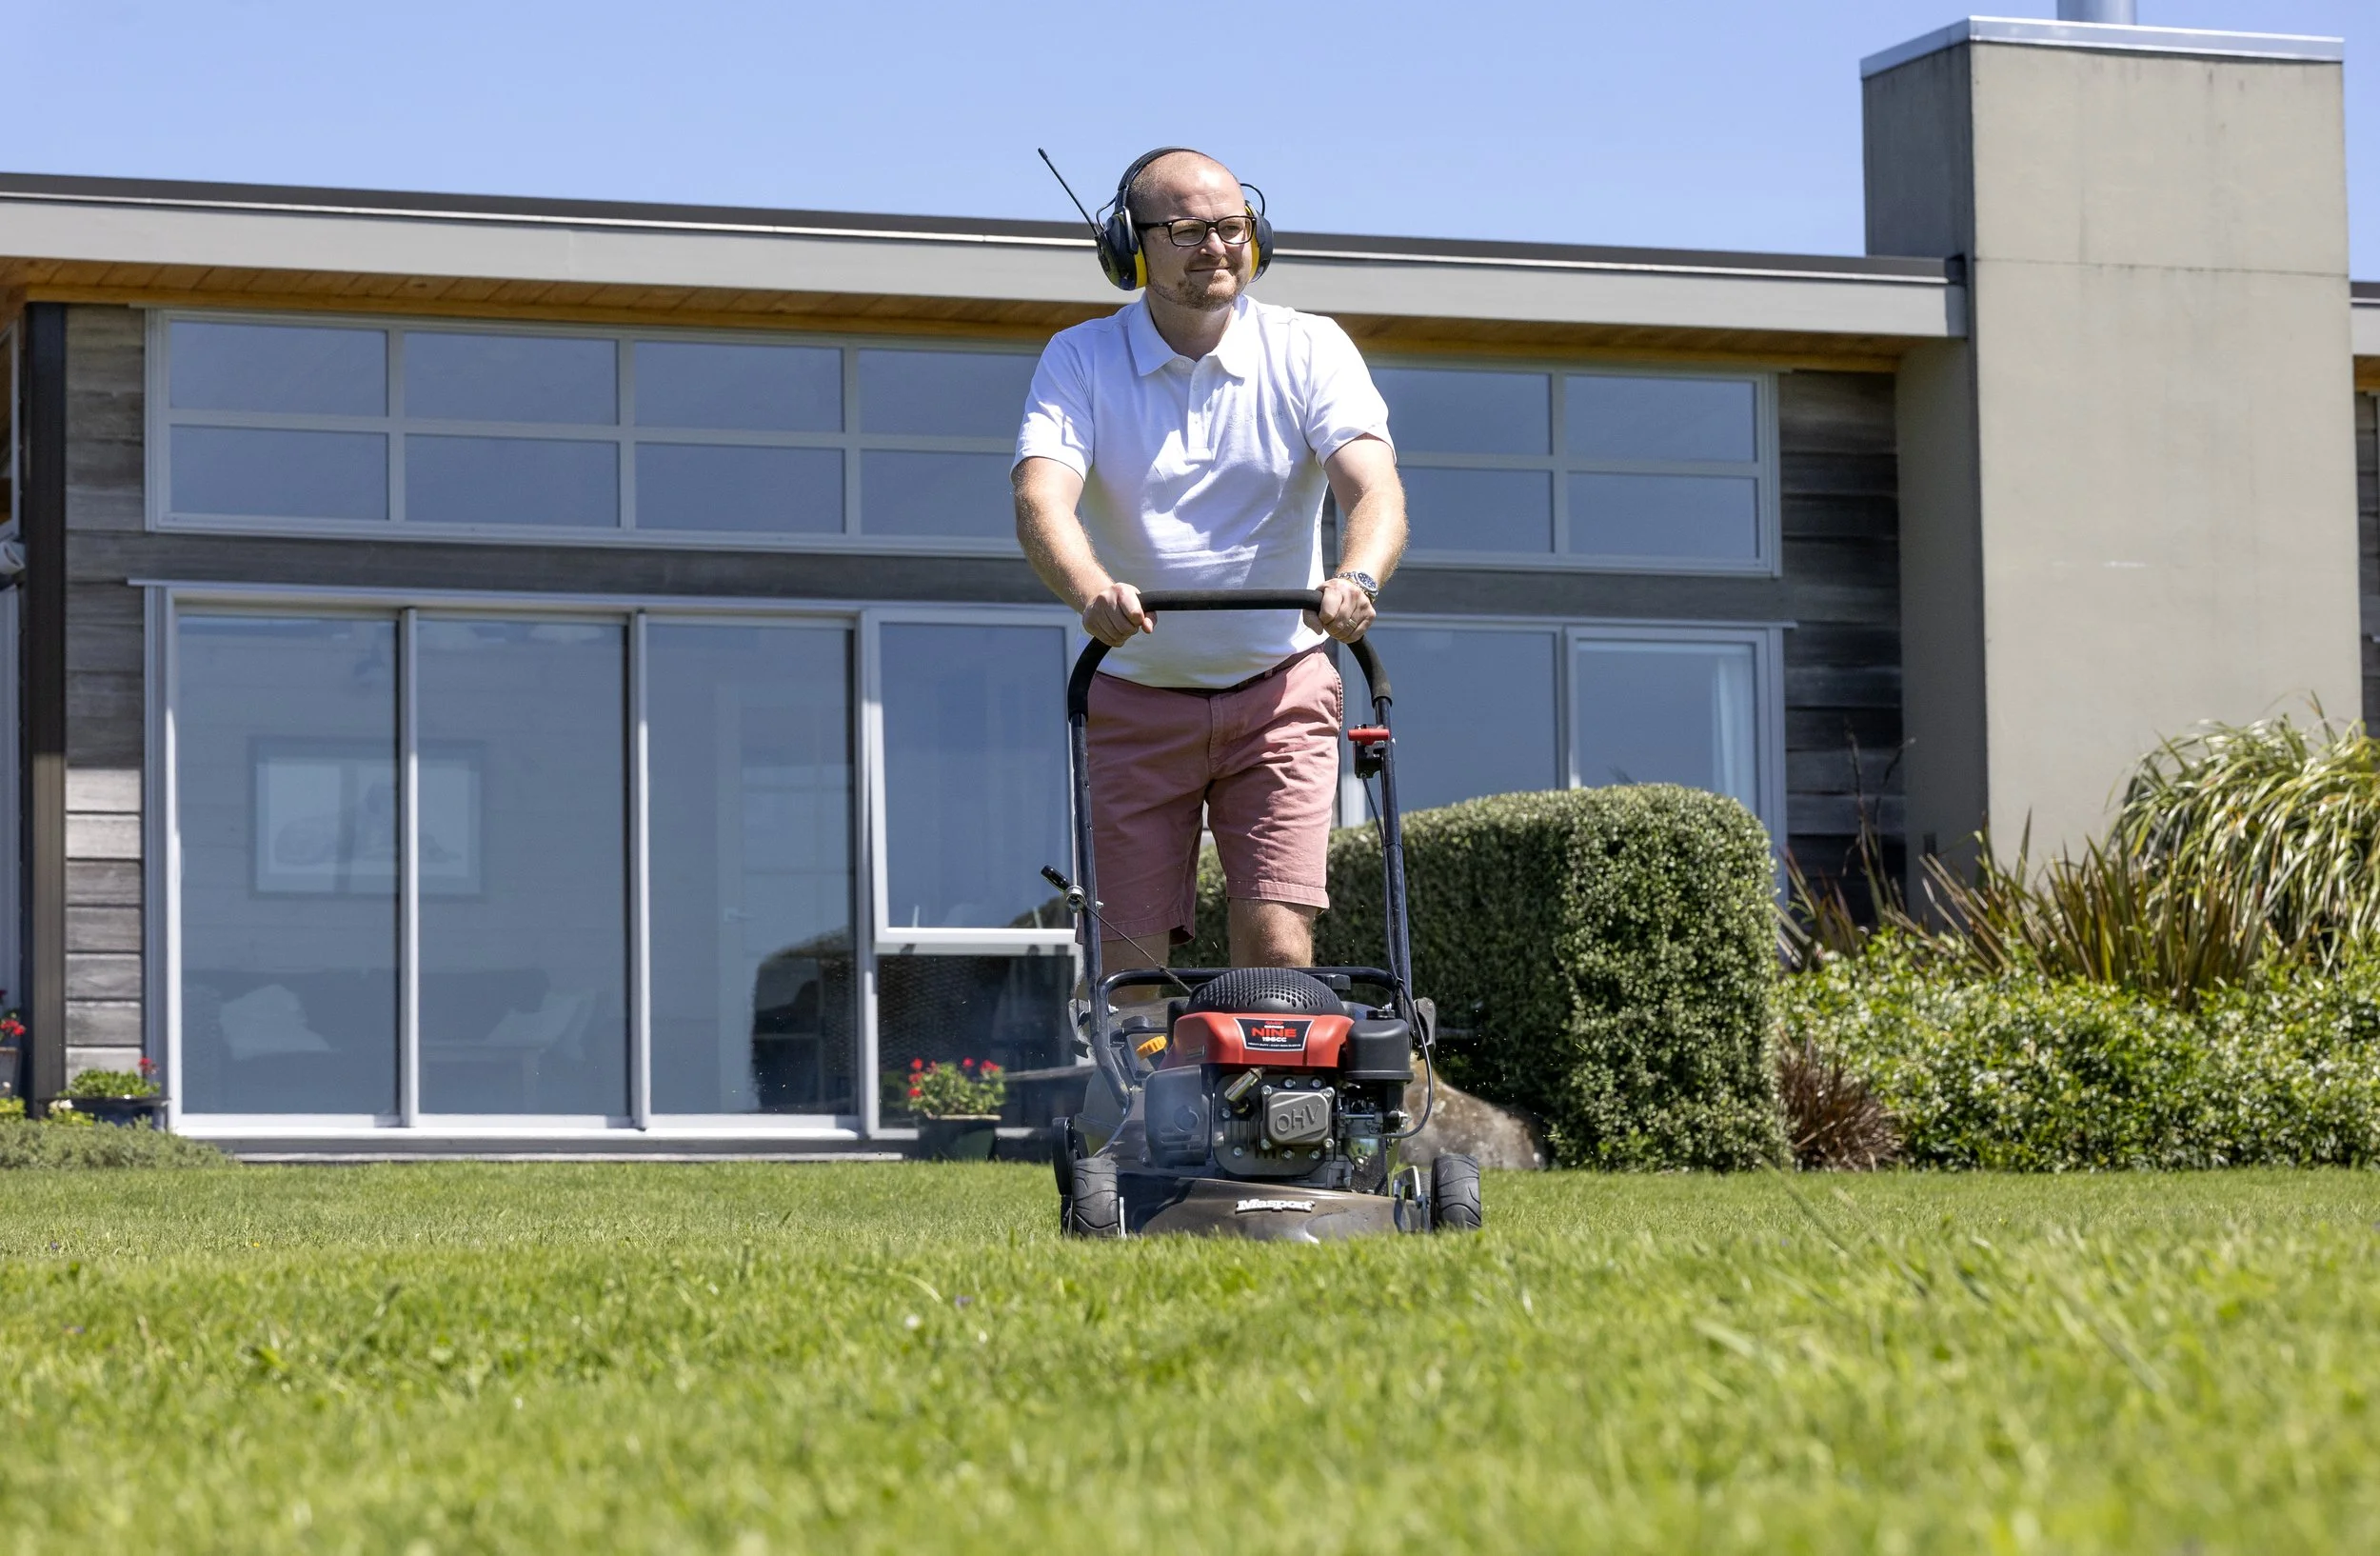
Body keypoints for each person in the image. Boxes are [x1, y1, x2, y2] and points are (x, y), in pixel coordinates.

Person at [1012, 147, 1407, 986]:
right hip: (1134, 697)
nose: (1217, 248)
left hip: (1281, 690)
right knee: (1131, 976)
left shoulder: (1309, 348)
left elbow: (1374, 487)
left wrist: (1357, 577)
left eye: (1233, 227)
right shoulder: (1080, 359)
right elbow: (1042, 500)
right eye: (1188, 230)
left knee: (1278, 956)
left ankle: (1275, 1117)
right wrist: (1092, 594)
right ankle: (1147, 1119)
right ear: (1129, 246)